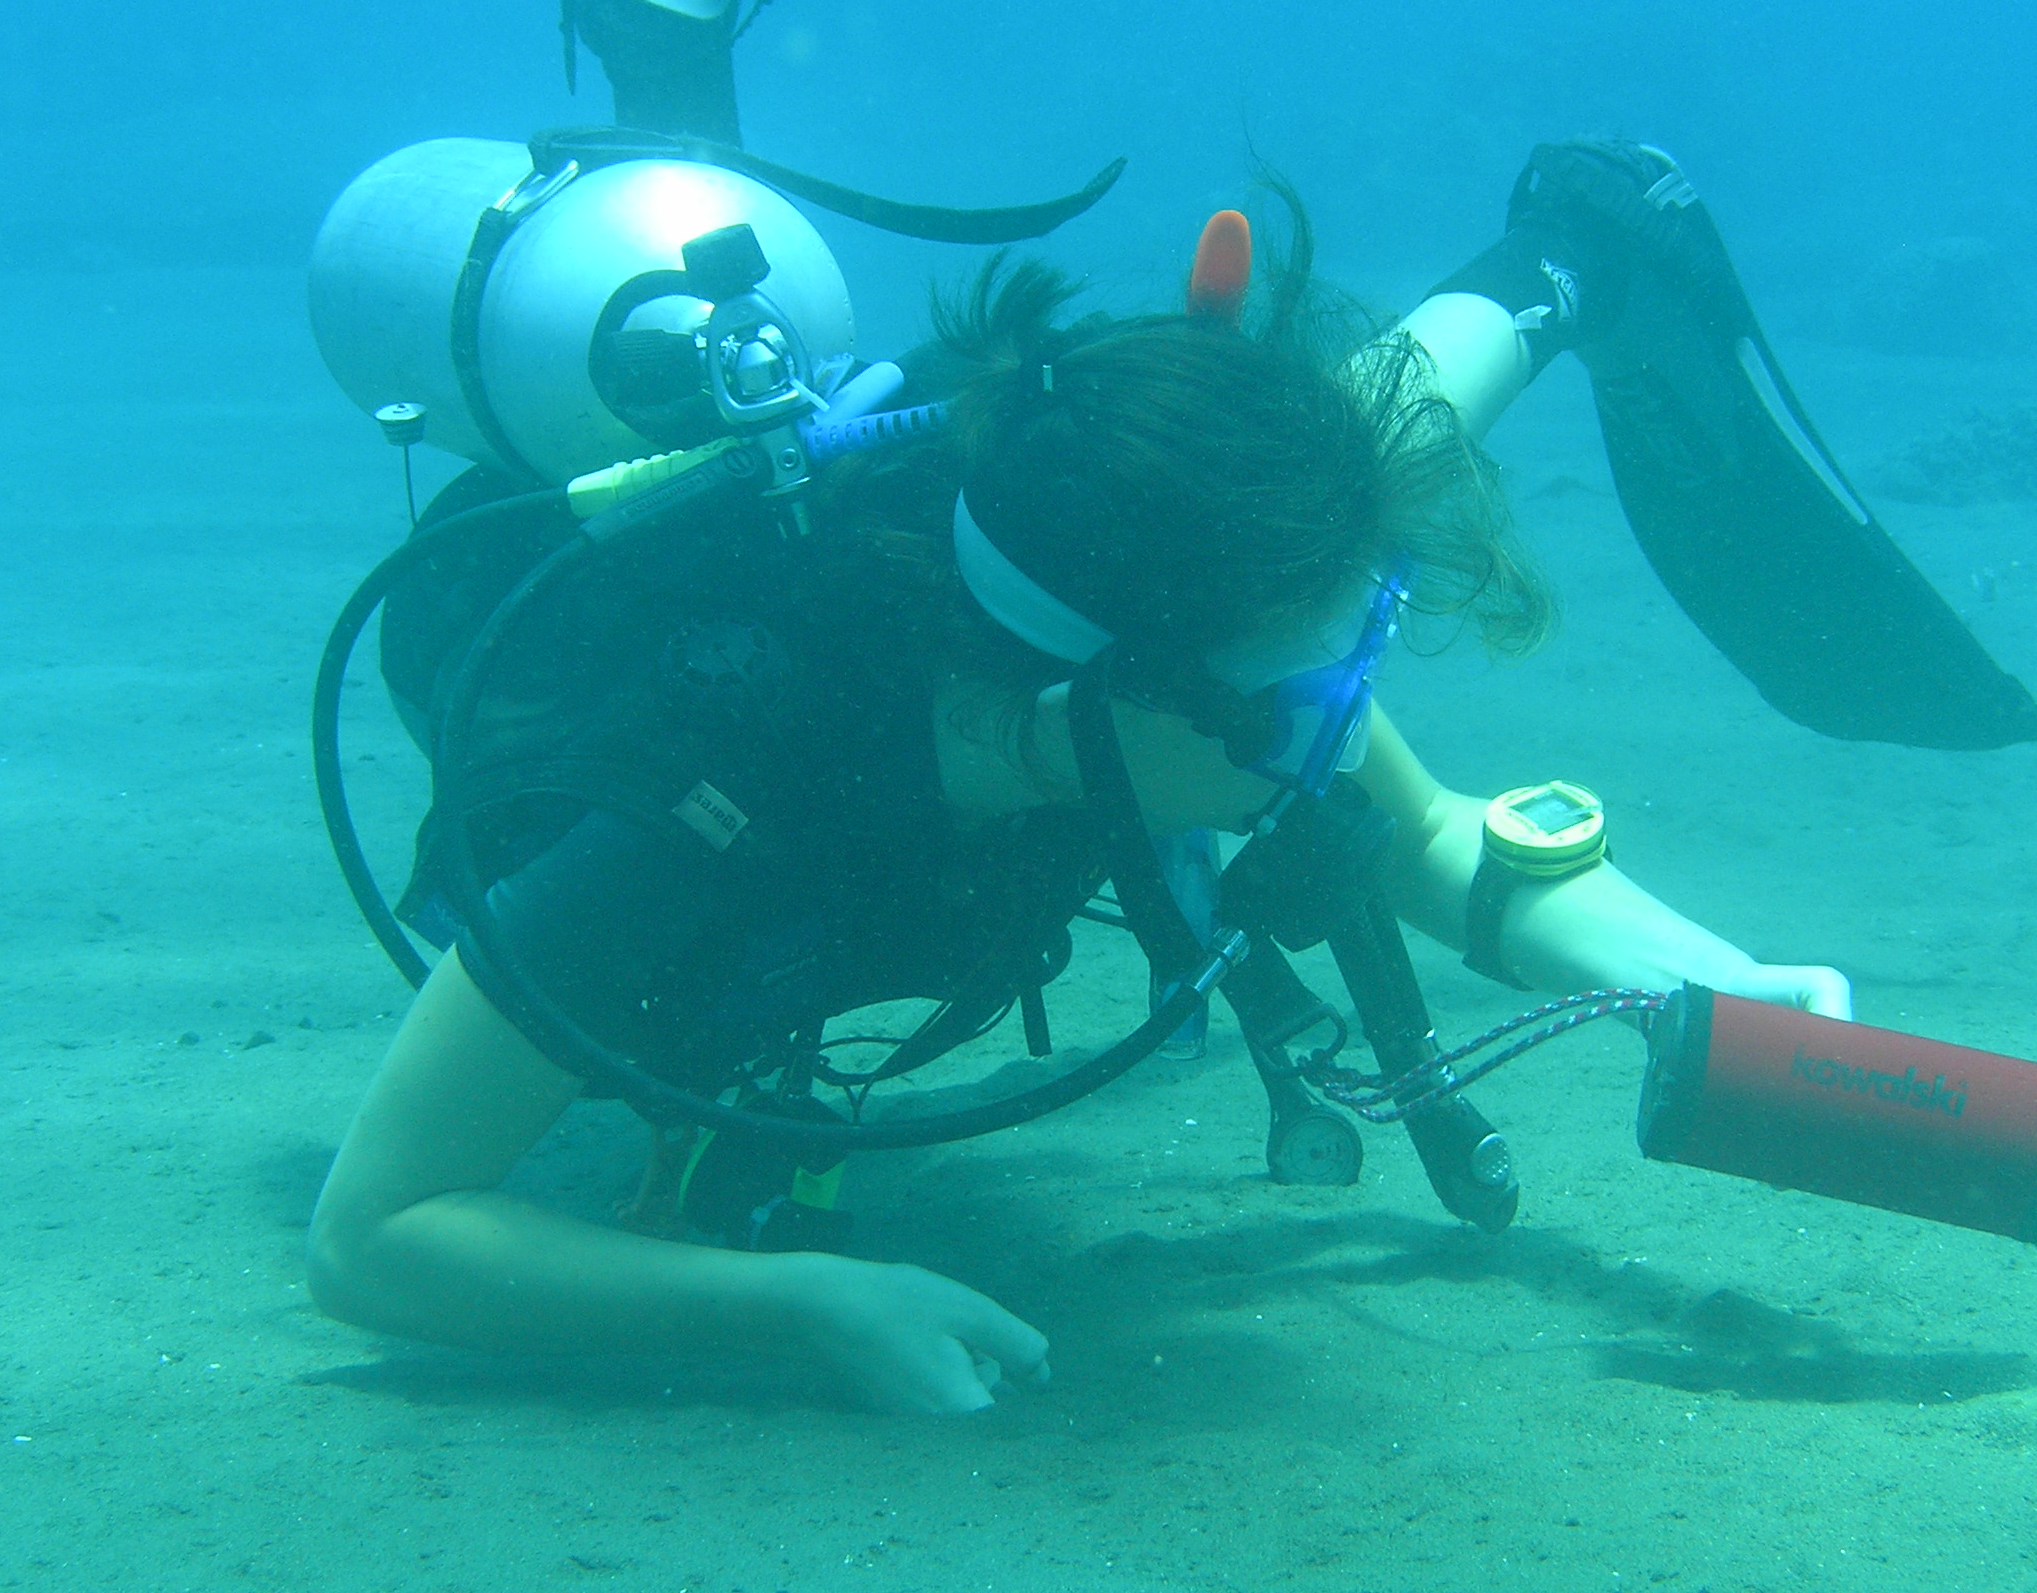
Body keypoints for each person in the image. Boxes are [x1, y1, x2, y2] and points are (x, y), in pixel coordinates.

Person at [308, 218, 1853, 1413]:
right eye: (1292, 694)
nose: (1333, 732)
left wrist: (1709, 978)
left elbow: (1433, 836)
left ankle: (1568, 241)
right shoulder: (697, 802)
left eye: (1343, 662)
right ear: (1086, 703)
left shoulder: (1192, 598)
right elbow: (376, 1231)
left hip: (1065, 571)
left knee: (1390, 414)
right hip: (549, 681)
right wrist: (801, 1308)